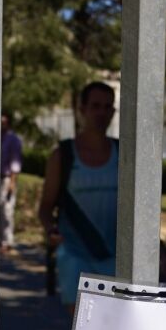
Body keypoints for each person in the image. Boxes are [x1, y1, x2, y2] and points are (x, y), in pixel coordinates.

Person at [39, 81, 119, 308]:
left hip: (116, 260)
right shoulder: (63, 156)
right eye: (95, 106)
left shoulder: (123, 154)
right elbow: (46, 206)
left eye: (107, 107)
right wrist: (51, 231)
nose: (101, 113)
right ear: (82, 110)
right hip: (75, 257)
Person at [0, 114, 25, 259]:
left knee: (7, 211)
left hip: (8, 179)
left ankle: (7, 242)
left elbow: (15, 162)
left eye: (4, 122)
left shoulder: (13, 139)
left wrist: (13, 182)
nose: (2, 125)